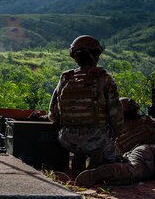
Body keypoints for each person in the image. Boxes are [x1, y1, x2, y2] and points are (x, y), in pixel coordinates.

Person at [48, 35, 124, 171]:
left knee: (82, 147)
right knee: (116, 163)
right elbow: (116, 115)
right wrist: (115, 136)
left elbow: (53, 114)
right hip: (96, 139)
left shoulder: (66, 78)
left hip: (67, 139)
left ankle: (79, 157)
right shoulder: (104, 78)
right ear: (94, 55)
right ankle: (97, 165)